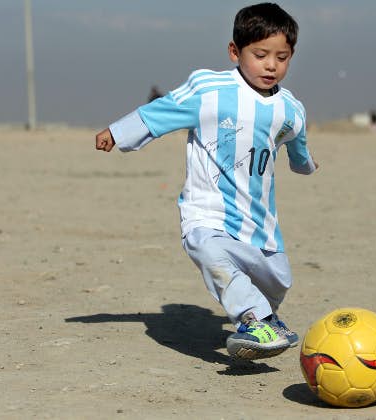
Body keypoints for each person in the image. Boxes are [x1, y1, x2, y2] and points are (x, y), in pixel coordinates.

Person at [95, 3, 318, 361]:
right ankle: (254, 320)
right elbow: (163, 110)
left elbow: (299, 147)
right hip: (207, 212)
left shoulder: (291, 109)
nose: (271, 65)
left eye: (282, 57)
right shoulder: (210, 89)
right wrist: (118, 132)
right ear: (235, 51)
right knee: (212, 255)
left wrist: (305, 165)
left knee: (278, 279)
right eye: (260, 55)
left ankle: (267, 316)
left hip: (260, 221)